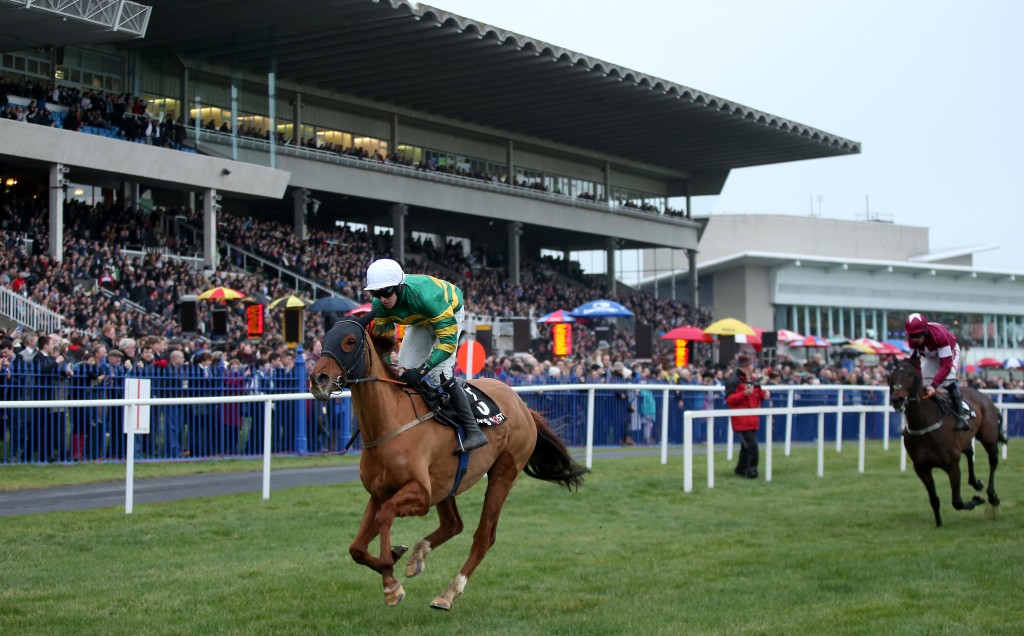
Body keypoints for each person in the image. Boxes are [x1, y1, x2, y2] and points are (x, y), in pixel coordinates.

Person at [363, 258, 488, 453]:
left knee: (440, 373)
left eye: (386, 291)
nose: (382, 298)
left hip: (448, 310)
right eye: (376, 293)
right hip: (420, 320)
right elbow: (384, 346)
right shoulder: (379, 305)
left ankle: (474, 431)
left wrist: (422, 370)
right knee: (403, 371)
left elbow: (447, 344)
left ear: (399, 286)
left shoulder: (428, 297)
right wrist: (390, 365)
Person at [905, 312, 970, 431]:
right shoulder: (912, 341)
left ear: (924, 331)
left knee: (947, 380)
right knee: (922, 383)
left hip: (949, 352)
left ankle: (962, 416)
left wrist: (934, 385)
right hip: (930, 356)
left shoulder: (938, 335)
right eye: (912, 336)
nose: (915, 340)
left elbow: (946, 365)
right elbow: (915, 365)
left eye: (918, 335)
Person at [724, 354, 771, 479]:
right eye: (752, 364)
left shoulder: (752, 379)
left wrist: (765, 395)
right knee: (752, 446)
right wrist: (744, 393)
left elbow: (758, 394)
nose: (753, 366)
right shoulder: (733, 380)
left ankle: (741, 468)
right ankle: (752, 470)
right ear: (746, 366)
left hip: (752, 418)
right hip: (741, 419)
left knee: (746, 447)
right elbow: (729, 399)